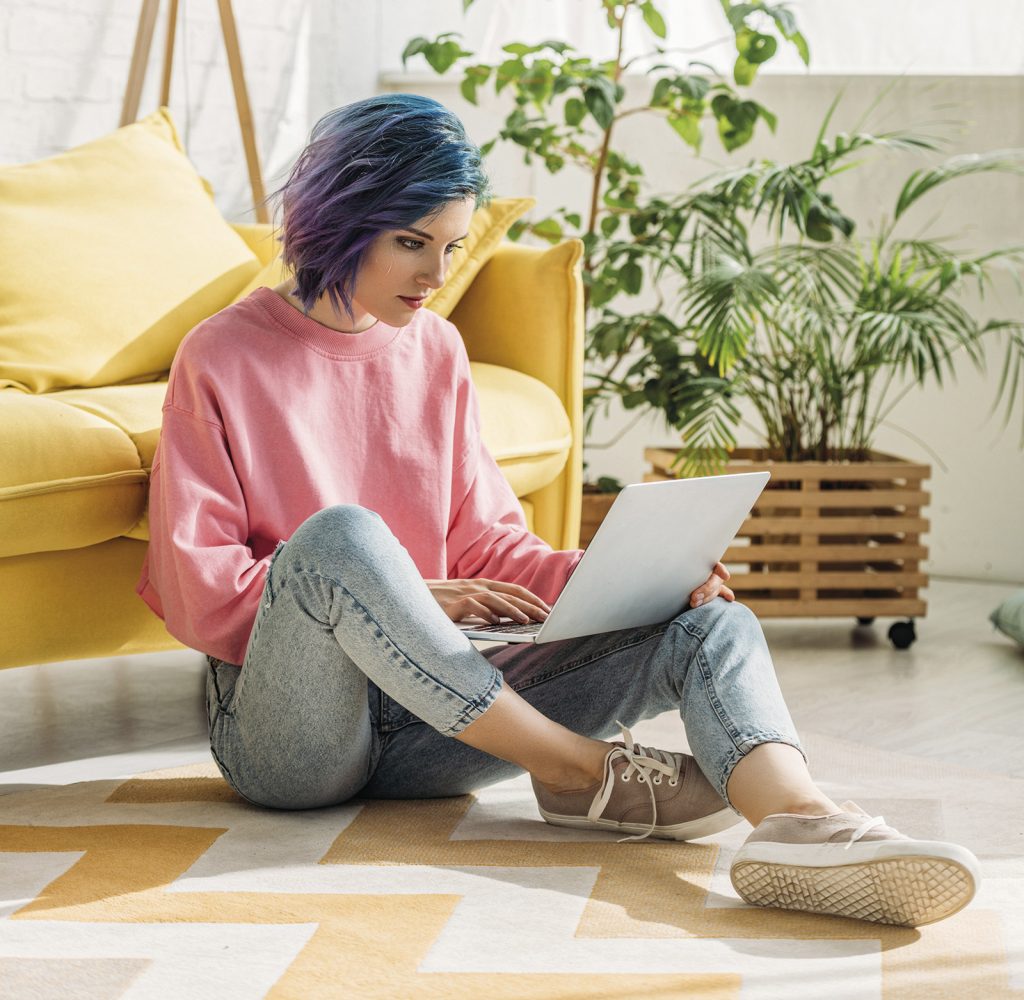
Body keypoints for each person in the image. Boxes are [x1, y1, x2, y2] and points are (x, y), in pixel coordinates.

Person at [136, 93, 980, 928]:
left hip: (436, 729)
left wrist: (631, 579)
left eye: (450, 246)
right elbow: (203, 592)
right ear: (337, 220)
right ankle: (581, 771)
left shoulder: (435, 349)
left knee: (711, 622)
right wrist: (410, 594)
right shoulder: (222, 355)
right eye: (410, 243)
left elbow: (488, 539)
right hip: (292, 743)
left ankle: (805, 825)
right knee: (347, 539)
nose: (435, 277)